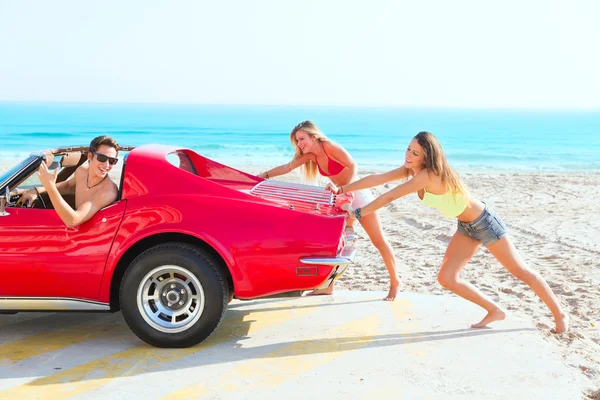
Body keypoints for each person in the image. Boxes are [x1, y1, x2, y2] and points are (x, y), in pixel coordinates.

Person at [328, 131, 569, 333]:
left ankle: (560, 316)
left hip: (484, 222)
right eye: (408, 149)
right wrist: (342, 188)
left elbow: (391, 195)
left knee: (520, 271)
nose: (408, 155)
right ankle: (495, 310)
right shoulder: (411, 170)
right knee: (447, 278)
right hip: (465, 227)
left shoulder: (428, 175)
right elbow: (377, 179)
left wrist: (358, 213)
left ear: (427, 156)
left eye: (415, 153)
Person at [258, 120, 401, 301]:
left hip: (357, 194)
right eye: (297, 141)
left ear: (313, 136)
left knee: (378, 240)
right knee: (336, 244)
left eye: (302, 139)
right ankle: (328, 286)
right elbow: (287, 167)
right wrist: (263, 176)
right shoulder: (311, 156)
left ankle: (395, 282)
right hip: (340, 198)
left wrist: (345, 189)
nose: (300, 144)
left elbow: (353, 166)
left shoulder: (328, 146)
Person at [15, 135, 120, 228]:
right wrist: (36, 190)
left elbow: (73, 221)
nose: (106, 165)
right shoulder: (82, 171)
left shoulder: (107, 192)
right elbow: (68, 186)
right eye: (102, 158)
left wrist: (50, 187)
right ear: (90, 156)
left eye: (112, 161)